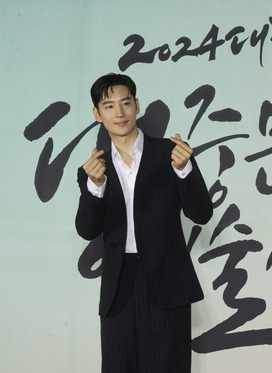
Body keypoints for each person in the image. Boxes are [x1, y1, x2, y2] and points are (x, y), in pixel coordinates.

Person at [75, 73, 213, 373]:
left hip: (166, 279)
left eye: (125, 102)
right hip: (118, 283)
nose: (119, 112)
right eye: (109, 106)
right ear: (97, 115)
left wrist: (184, 170)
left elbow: (201, 214)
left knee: (167, 366)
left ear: (137, 105)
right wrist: (95, 186)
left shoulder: (171, 154)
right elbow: (87, 229)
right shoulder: (94, 168)